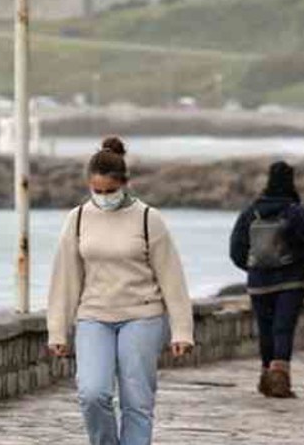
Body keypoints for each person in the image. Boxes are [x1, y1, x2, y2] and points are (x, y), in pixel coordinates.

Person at [47, 137, 195, 445]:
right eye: (97, 191)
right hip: (93, 316)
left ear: (124, 184)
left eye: (110, 191)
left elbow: (172, 278)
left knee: (137, 401)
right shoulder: (77, 219)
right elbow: (65, 279)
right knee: (92, 393)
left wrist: (182, 331)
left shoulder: (148, 219)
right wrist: (57, 330)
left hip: (142, 316)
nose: (103, 198)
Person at [228, 161, 304, 398]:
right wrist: (300, 265)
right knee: (283, 328)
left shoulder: (250, 213)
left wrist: (254, 268)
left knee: (266, 329)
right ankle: (279, 379)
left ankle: (265, 376)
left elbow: (236, 251)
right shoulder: (300, 214)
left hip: (259, 282)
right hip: (291, 281)